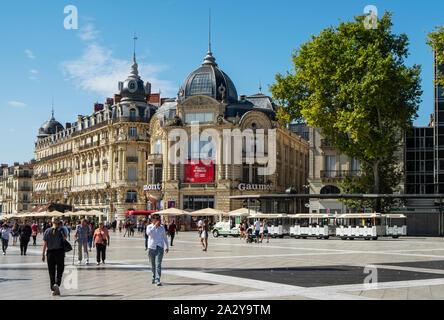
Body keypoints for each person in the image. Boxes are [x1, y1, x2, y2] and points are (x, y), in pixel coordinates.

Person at [42, 218, 67, 296]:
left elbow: (45, 243)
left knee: (51, 271)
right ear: (59, 222)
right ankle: (57, 283)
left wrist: (43, 254)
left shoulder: (47, 231)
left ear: (51, 222)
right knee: (60, 269)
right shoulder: (61, 230)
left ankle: (53, 288)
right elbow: (65, 238)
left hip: (50, 253)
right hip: (59, 252)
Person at [146, 214, 169, 286]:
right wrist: (155, 226)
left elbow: (165, 237)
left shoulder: (162, 227)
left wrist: (166, 247)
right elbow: (148, 234)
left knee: (158, 264)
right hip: (151, 247)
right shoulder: (149, 227)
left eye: (159, 218)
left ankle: (157, 279)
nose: (158, 220)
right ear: (153, 220)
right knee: (153, 265)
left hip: (160, 247)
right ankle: (154, 277)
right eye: (156, 218)